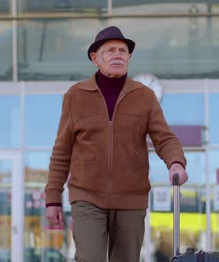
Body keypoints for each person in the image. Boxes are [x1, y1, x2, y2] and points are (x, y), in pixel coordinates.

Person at [44, 25, 188, 262]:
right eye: (110, 50)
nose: (118, 55)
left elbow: (165, 137)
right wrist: (53, 198)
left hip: (131, 199)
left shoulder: (144, 96)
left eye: (123, 51)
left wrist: (176, 162)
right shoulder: (75, 96)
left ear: (129, 58)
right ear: (95, 58)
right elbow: (62, 151)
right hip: (87, 196)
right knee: (89, 257)